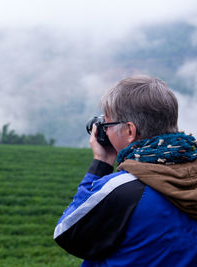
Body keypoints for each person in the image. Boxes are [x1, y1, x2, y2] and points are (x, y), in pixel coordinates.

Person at [54, 75, 197, 266]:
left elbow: (68, 234)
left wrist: (101, 163)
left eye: (107, 125)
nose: (105, 132)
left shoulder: (123, 190)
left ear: (129, 131)